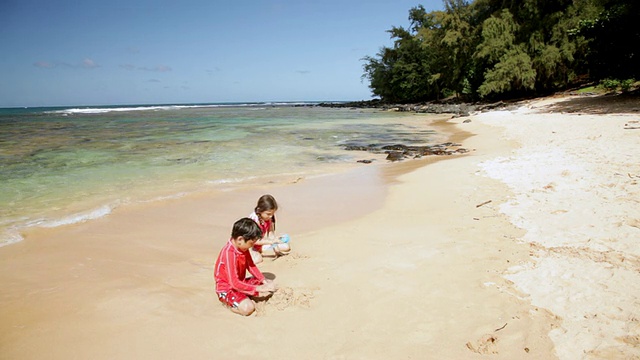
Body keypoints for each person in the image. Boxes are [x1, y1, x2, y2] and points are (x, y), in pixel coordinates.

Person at [214, 217, 277, 316]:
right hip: (227, 289)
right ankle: (231, 304)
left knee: (269, 283)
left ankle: (245, 295)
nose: (251, 246)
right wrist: (257, 289)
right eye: (251, 243)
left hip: (240, 282)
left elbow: (251, 266)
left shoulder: (243, 247)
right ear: (240, 239)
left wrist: (263, 281)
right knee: (248, 308)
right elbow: (234, 283)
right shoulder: (229, 253)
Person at [248, 194, 291, 264]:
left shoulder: (268, 218)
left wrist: (275, 245)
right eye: (268, 214)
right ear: (260, 210)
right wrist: (271, 242)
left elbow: (271, 234)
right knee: (258, 260)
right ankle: (256, 254)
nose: (271, 216)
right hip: (250, 247)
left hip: (260, 245)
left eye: (272, 214)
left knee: (286, 246)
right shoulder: (254, 219)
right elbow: (254, 240)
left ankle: (261, 252)